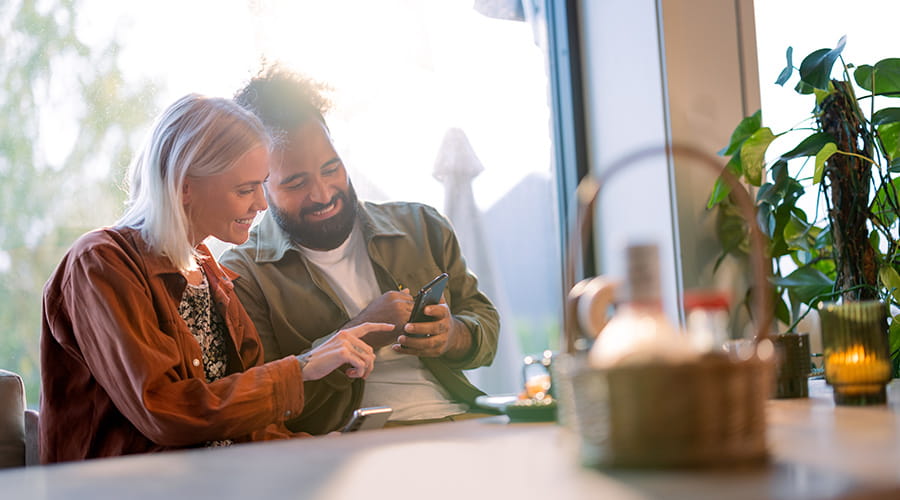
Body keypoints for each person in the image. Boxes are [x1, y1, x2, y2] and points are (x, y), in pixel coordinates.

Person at [39, 94, 390, 463]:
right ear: (184, 187)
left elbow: (243, 421)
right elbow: (163, 411)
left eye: (262, 184)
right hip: (128, 483)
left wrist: (311, 447)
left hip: (217, 476)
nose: (261, 204)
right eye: (245, 189)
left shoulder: (211, 274)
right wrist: (300, 369)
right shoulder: (100, 263)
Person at [220, 67, 500, 434]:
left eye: (331, 169)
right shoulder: (243, 274)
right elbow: (264, 399)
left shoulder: (422, 226)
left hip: (462, 419)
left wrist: (452, 336)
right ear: (261, 186)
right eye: (296, 183)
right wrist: (362, 332)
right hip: (352, 440)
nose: (323, 194)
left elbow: (485, 325)